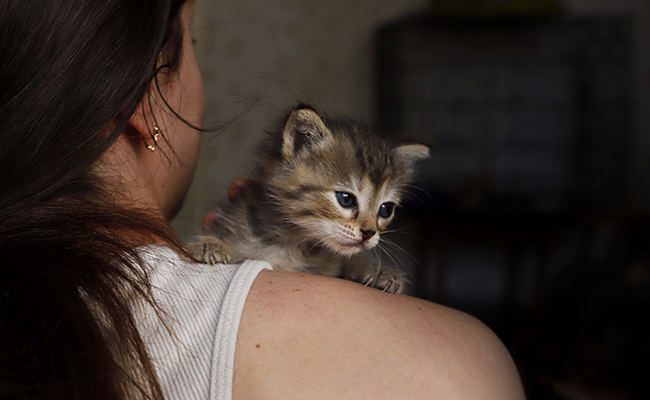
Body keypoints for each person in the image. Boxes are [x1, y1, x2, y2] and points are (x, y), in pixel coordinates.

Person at [0, 0, 526, 399]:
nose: (370, 227)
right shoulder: (451, 363)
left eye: (383, 210)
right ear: (147, 101)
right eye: (193, 49)